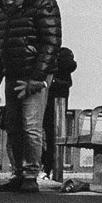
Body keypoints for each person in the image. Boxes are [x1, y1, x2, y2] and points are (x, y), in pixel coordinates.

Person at [0, 0, 62, 193]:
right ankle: (18, 173)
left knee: (30, 125)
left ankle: (30, 175)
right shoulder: (6, 10)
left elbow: (51, 44)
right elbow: (3, 48)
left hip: (33, 75)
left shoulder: (43, 3)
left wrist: (37, 79)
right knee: (13, 126)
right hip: (13, 73)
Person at [42, 45, 78, 183]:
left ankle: (47, 167)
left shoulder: (58, 57)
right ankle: (47, 167)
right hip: (55, 107)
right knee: (49, 138)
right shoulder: (63, 59)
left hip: (52, 106)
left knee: (48, 137)